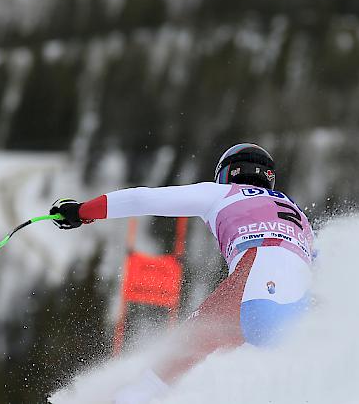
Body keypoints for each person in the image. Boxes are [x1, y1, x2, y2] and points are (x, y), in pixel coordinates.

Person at [50, 143, 316, 403]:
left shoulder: (222, 193)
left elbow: (142, 199)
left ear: (227, 174)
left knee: (159, 377)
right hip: (298, 313)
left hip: (252, 287)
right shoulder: (299, 215)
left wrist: (81, 211)